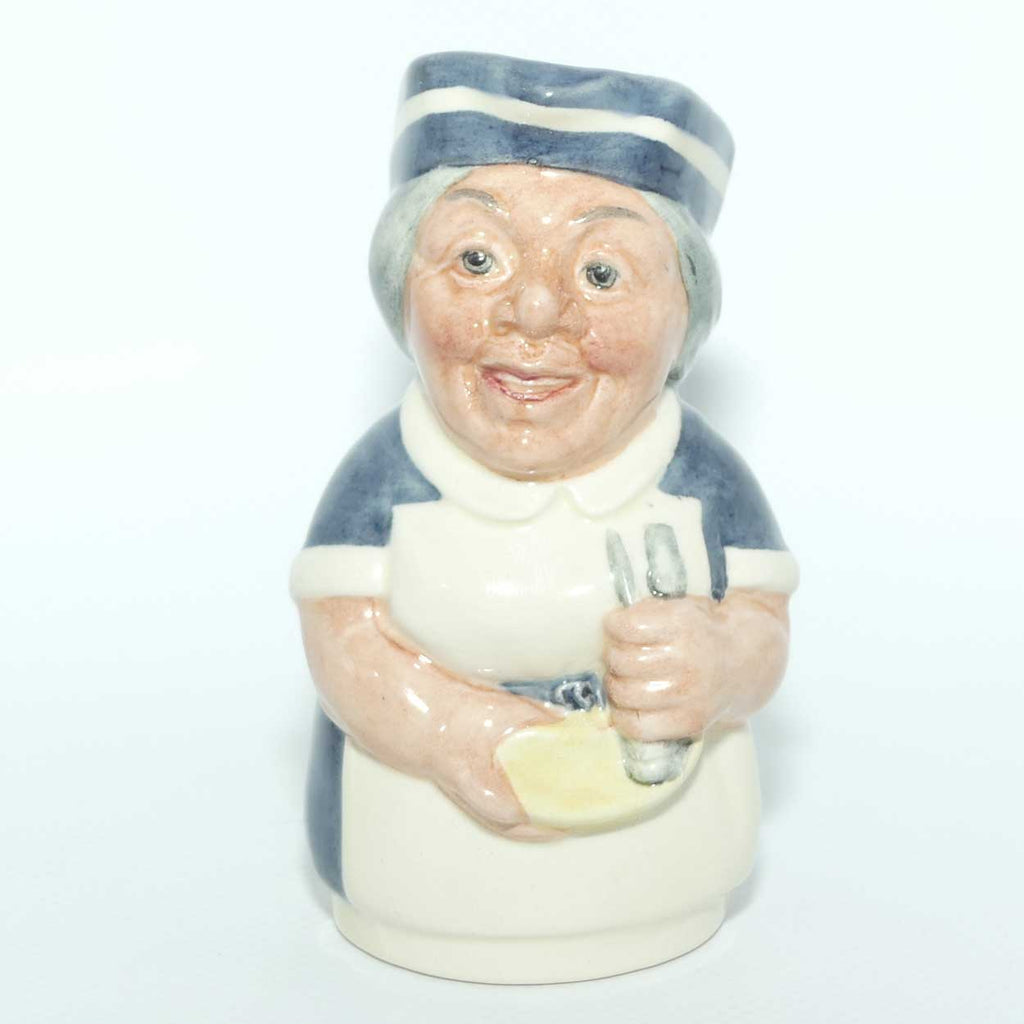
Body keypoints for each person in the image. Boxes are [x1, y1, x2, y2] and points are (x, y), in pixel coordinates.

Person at [290, 52, 798, 983]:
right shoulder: (387, 479)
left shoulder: (701, 479)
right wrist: (448, 728)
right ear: (403, 287)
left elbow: (762, 625)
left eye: (602, 273)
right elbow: (343, 639)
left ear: (683, 315)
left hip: (667, 862)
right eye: (476, 260)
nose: (533, 311)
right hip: (422, 862)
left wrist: (720, 664)